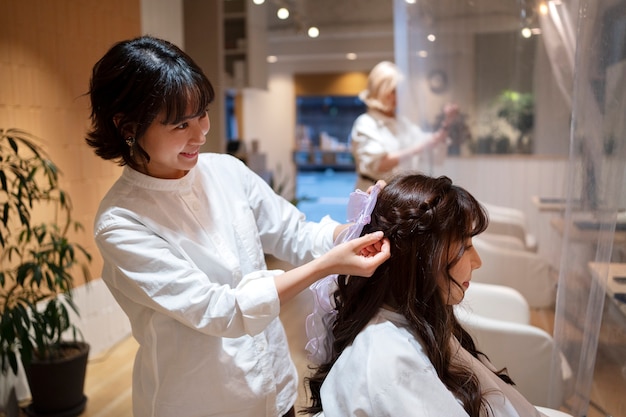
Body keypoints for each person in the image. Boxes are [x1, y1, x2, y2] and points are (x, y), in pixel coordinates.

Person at [85, 35, 390, 417]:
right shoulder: (121, 222)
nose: (201, 134)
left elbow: (295, 232)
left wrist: (365, 224)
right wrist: (329, 265)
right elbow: (221, 310)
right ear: (127, 126)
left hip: (274, 386)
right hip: (201, 402)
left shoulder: (225, 171)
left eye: (202, 114)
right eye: (181, 124)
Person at [303, 173, 550, 417]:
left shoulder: (419, 323)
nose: (478, 262)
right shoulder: (394, 363)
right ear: (421, 259)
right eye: (465, 247)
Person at [350, 61, 459, 191]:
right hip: (372, 194)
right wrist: (417, 149)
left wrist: (447, 122)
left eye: (399, 91)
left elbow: (430, 142)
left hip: (398, 194)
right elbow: (379, 164)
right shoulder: (365, 123)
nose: (397, 96)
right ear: (381, 91)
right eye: (393, 91)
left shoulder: (402, 123)